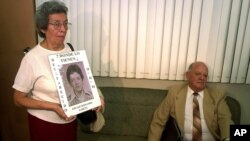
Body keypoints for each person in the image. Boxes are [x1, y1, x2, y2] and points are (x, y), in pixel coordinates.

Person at [12, 1, 104, 141]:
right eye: (57, 24)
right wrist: (53, 107)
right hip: (44, 125)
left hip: (70, 122)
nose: (63, 29)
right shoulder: (32, 58)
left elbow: (85, 79)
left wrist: (97, 97)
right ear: (43, 28)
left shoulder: (70, 49)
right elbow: (18, 99)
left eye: (66, 23)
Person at [148, 61, 232, 141]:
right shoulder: (175, 92)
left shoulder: (217, 95)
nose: (202, 78)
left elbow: (225, 119)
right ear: (187, 75)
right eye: (197, 74)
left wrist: (227, 138)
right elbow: (158, 121)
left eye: (205, 75)